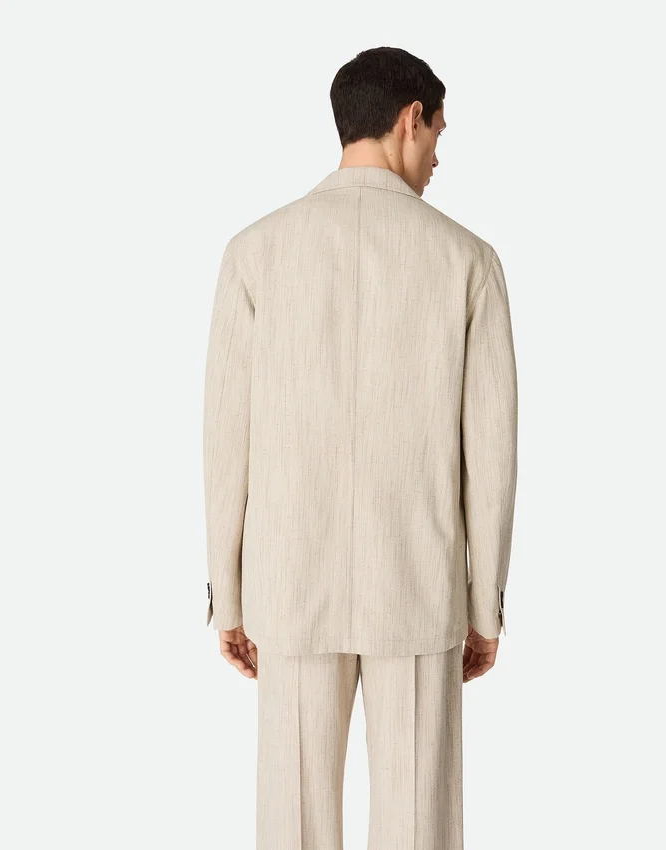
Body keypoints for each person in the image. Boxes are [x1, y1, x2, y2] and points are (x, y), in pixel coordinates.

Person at [202, 45, 518, 850]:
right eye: (438, 131)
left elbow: (226, 441)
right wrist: (483, 609)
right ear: (410, 118)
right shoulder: (468, 260)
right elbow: (490, 454)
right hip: (417, 584)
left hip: (288, 586)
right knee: (419, 826)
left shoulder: (255, 251)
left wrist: (230, 600)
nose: (439, 155)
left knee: (293, 825)